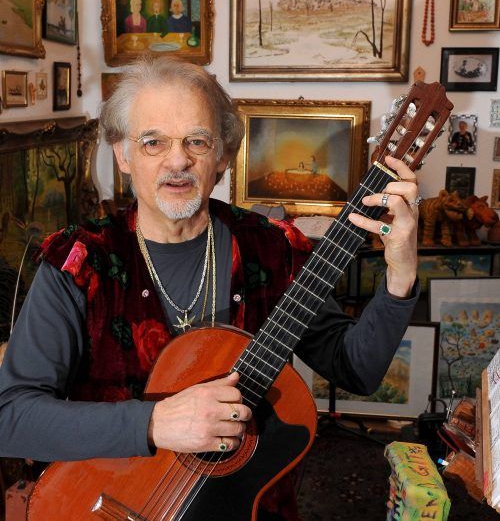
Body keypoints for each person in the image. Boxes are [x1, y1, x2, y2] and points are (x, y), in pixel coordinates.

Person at [0, 55, 420, 520]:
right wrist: (155, 422)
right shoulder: (80, 263)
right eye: (153, 142)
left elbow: (356, 370)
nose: (178, 160)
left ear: (222, 156)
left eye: (196, 141)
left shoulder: (271, 249)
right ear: (122, 155)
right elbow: (10, 417)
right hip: (109, 505)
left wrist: (400, 274)